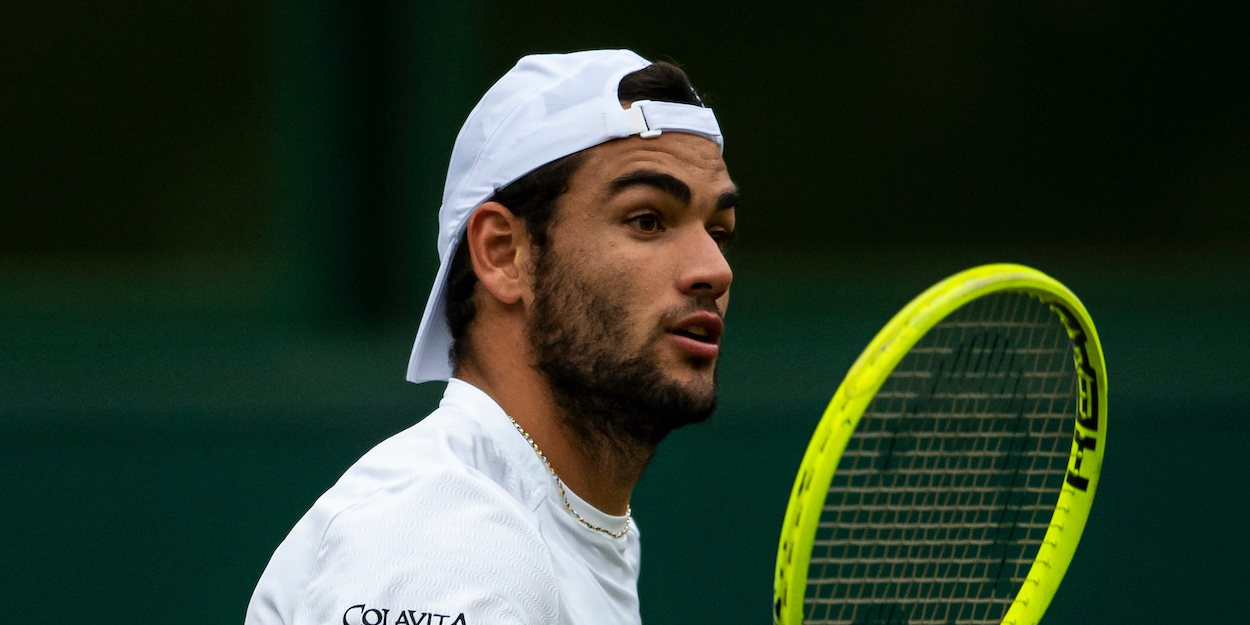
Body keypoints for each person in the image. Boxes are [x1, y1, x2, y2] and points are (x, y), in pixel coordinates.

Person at [246, 49, 737, 625]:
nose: (714, 269)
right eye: (647, 220)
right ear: (503, 254)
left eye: (720, 230)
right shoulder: (450, 540)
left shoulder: (569, 530)